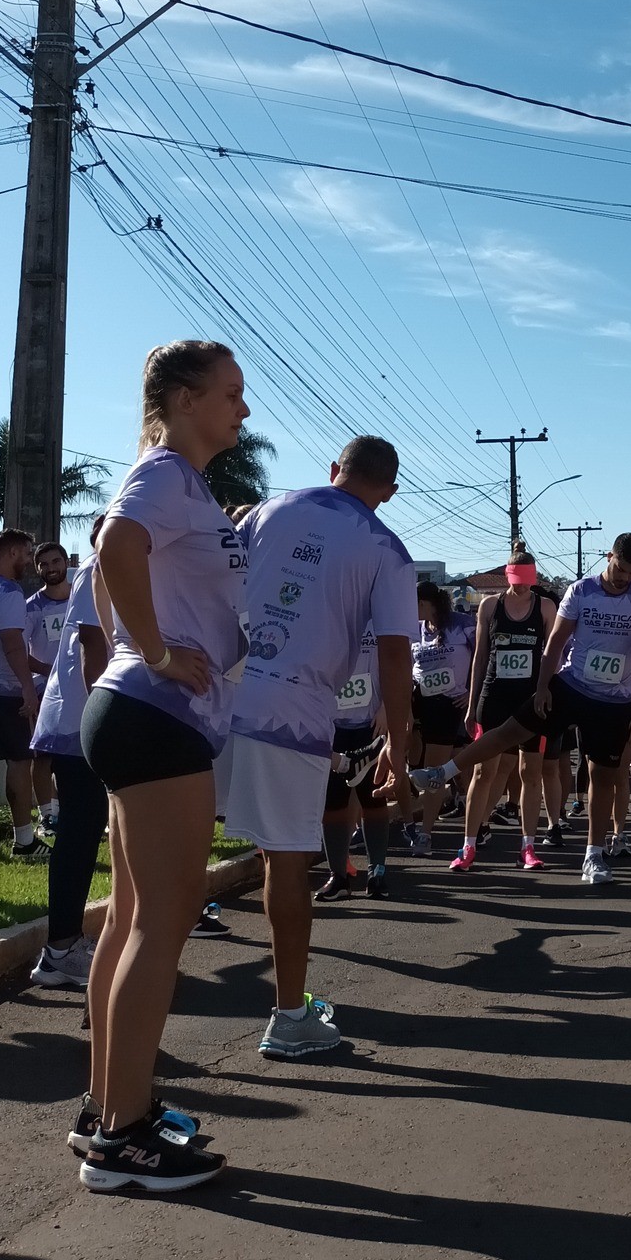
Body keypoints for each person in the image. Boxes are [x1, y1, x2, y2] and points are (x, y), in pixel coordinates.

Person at [76, 340, 249, 1193]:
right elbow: (114, 545)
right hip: (156, 717)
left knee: (130, 920)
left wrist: (136, 646)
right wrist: (150, 650)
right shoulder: (169, 476)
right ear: (184, 399)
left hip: (141, 714)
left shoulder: (179, 478)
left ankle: (108, 1107)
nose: (242, 411)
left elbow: (125, 560)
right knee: (161, 920)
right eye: (230, 394)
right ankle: (125, 1138)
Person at [221, 436, 418, 1058]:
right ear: (388, 490)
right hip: (295, 711)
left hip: (213, 697)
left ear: (335, 470)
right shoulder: (387, 548)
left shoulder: (266, 508)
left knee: (169, 865)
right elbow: (394, 651)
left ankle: (126, 989)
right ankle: (289, 1018)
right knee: (287, 860)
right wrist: (400, 746)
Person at [411, 533, 631, 885]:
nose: (625, 577)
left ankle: (593, 855)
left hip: (614, 699)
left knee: (602, 778)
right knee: (510, 731)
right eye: (621, 569)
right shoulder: (581, 591)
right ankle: (444, 771)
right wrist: (544, 685)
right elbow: (556, 642)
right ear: (609, 557)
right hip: (572, 685)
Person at [28, 522, 108, 988]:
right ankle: (60, 949)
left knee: (86, 828)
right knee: (80, 832)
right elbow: (92, 642)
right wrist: (106, 714)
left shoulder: (105, 569)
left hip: (84, 719)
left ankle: (66, 942)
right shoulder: (98, 570)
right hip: (81, 722)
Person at [458, 556, 556, 871]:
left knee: (530, 773)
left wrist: (548, 691)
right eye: (517, 578)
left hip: (530, 700)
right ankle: (468, 846)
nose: (523, 585)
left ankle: (527, 847)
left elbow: (552, 654)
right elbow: (480, 655)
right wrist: (472, 704)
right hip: (494, 697)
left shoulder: (544, 607)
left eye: (528, 579)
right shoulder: (489, 606)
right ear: (508, 575)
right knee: (483, 772)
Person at [319, 626, 394, 900]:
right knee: (333, 803)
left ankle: (378, 873)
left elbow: (394, 662)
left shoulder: (378, 617)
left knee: (373, 799)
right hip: (331, 724)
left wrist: (388, 706)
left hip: (371, 723)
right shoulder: (327, 615)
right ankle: (338, 876)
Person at [0, 527, 45, 859]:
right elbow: (12, 644)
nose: (29, 561)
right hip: (5, 693)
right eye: (26, 553)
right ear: (10, 553)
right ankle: (24, 840)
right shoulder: (9, 593)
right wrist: (27, 687)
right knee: (21, 761)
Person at [408, 581, 476, 854]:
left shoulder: (462, 623)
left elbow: (483, 657)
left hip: (450, 703)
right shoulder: (415, 629)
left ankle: (425, 834)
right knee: (416, 759)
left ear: (424, 604)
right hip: (418, 700)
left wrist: (472, 691)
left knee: (436, 770)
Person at [24, 539, 72, 830]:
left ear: (66, 562)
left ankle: (80, 811)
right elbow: (19, 652)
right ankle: (47, 815)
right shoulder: (31, 607)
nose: (51, 568)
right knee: (44, 754)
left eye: (56, 562)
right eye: (44, 564)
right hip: (45, 690)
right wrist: (49, 670)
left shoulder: (82, 598)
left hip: (81, 687)